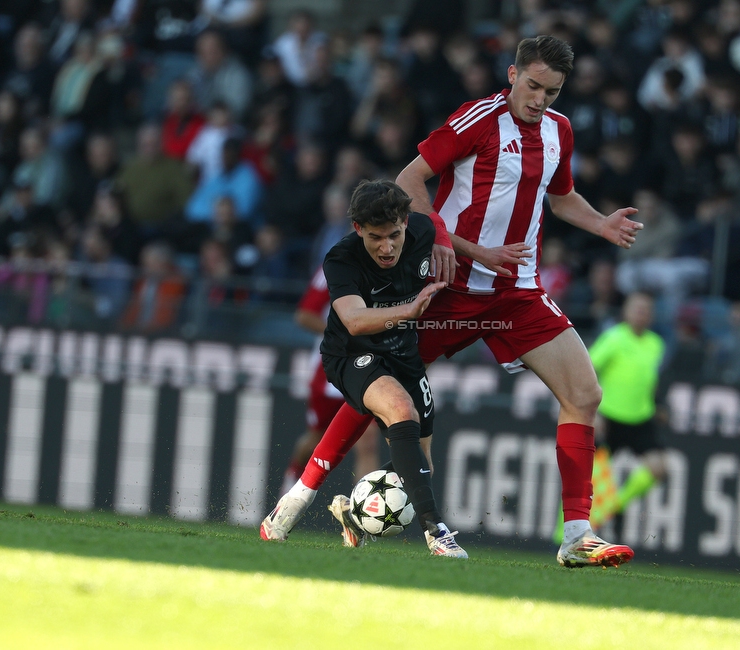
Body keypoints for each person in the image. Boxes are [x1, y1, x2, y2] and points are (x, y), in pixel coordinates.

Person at [267, 35, 642, 569]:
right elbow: (408, 181)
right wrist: (444, 239)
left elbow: (560, 198)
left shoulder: (559, 132)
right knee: (379, 387)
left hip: (517, 291)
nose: (540, 100)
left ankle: (577, 535)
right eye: (533, 86)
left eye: (552, 91)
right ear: (512, 76)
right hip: (448, 286)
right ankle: (296, 500)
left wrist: (599, 221)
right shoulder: (477, 120)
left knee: (584, 393)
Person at [260, 179, 467, 558]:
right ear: (357, 229)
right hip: (351, 353)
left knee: (422, 467)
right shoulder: (341, 259)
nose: (386, 247)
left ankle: (343, 514)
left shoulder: (422, 229)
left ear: (405, 222)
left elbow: (434, 220)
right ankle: (437, 534)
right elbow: (354, 320)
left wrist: (447, 241)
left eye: (393, 235)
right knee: (401, 409)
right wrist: (409, 310)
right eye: (375, 237)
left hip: (403, 354)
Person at [278, 264, 381, 495]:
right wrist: (345, 334)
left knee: (368, 441)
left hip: (367, 370)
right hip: (330, 372)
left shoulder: (391, 268)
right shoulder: (334, 267)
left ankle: (362, 514)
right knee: (317, 437)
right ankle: (291, 481)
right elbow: (304, 315)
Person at [584, 293, 667, 529]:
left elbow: (650, 379)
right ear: (626, 312)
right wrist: (594, 411)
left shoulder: (656, 344)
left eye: (646, 310)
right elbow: (589, 369)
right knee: (591, 482)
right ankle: (561, 538)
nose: (642, 314)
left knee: (658, 469)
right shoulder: (613, 338)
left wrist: (658, 404)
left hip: (640, 417)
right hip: (609, 417)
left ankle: (614, 506)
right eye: (637, 308)